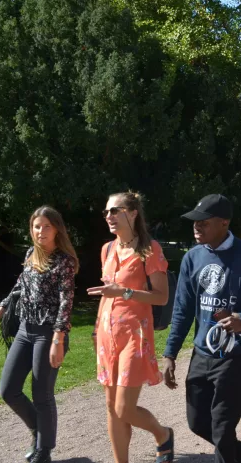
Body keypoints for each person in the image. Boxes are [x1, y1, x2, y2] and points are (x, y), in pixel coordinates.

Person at [162, 194, 241, 463]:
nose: (196, 226)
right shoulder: (192, 258)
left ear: (224, 223)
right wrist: (171, 353)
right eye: (194, 222)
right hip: (201, 353)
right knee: (197, 422)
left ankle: (230, 454)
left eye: (203, 222)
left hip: (234, 353)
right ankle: (240, 453)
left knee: (222, 425)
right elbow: (183, 309)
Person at [87, 192, 174, 463]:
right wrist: (95, 330)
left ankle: (163, 434)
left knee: (124, 408)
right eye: (106, 212)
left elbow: (161, 296)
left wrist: (124, 292)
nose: (109, 216)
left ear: (133, 213)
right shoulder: (108, 250)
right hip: (106, 335)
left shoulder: (150, 249)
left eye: (115, 210)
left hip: (134, 336)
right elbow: (106, 294)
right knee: (111, 408)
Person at [0, 206, 77, 463]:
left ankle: (44, 450)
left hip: (49, 334)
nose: (40, 231)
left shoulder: (64, 262)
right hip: (25, 330)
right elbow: (19, 287)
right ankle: (39, 431)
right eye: (37, 226)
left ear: (57, 229)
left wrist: (58, 340)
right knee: (8, 389)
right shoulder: (31, 254)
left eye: (46, 226)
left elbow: (65, 303)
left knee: (42, 394)